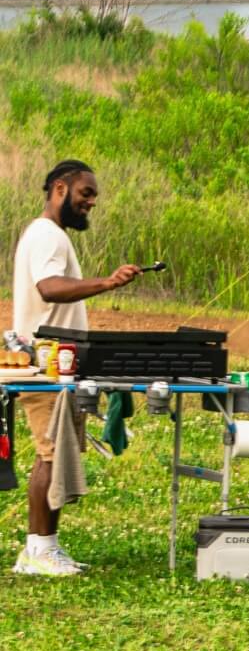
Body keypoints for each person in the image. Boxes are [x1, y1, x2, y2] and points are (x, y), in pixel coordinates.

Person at [10, 160, 139, 576]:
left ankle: (43, 547)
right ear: (61, 189)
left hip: (59, 365)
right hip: (47, 367)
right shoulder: (47, 235)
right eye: (86, 193)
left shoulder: (50, 235)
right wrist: (106, 283)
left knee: (53, 456)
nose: (91, 202)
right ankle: (38, 552)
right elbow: (48, 287)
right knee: (51, 456)